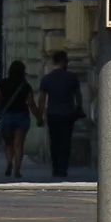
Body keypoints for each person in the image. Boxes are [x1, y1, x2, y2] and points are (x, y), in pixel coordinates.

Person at [36, 50, 85, 179]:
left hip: (52, 114)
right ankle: (63, 168)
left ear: (54, 62)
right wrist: (79, 108)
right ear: (64, 61)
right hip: (67, 114)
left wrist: (40, 115)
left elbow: (41, 99)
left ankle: (56, 168)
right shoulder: (72, 77)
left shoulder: (47, 79)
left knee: (54, 142)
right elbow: (78, 95)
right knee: (66, 142)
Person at [0, 59, 34, 182]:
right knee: (19, 143)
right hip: (21, 115)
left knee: (8, 143)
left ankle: (9, 162)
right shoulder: (25, 85)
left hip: (6, 115)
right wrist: (39, 116)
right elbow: (31, 102)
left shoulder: (3, 83)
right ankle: (17, 169)